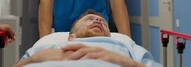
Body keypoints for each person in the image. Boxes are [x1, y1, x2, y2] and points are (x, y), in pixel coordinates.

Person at [16, 10, 160, 67]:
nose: (97, 20)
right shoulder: (43, 49)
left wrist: (126, 62)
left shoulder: (125, 47)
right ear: (71, 37)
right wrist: (33, 59)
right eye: (89, 19)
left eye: (103, 21)